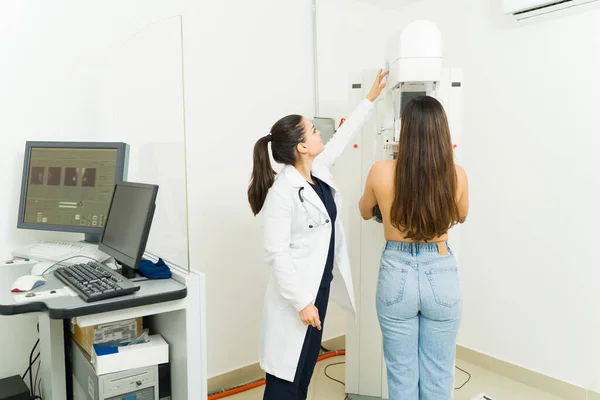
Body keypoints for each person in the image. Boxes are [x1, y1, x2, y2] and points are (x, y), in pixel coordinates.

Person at [247, 70, 388, 399]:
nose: (319, 131)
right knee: (286, 379)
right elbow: (276, 253)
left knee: (305, 371)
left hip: (318, 290)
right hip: (299, 298)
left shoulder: (318, 171)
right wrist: (301, 303)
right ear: (301, 146)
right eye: (313, 129)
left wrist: (369, 99)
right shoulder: (282, 192)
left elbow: (342, 136)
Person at [358, 95, 469, 399]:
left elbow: (365, 211)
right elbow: (461, 215)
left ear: (404, 131)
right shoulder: (456, 174)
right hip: (441, 271)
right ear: (441, 132)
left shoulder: (380, 171)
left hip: (397, 272)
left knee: (401, 374)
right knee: (438, 374)